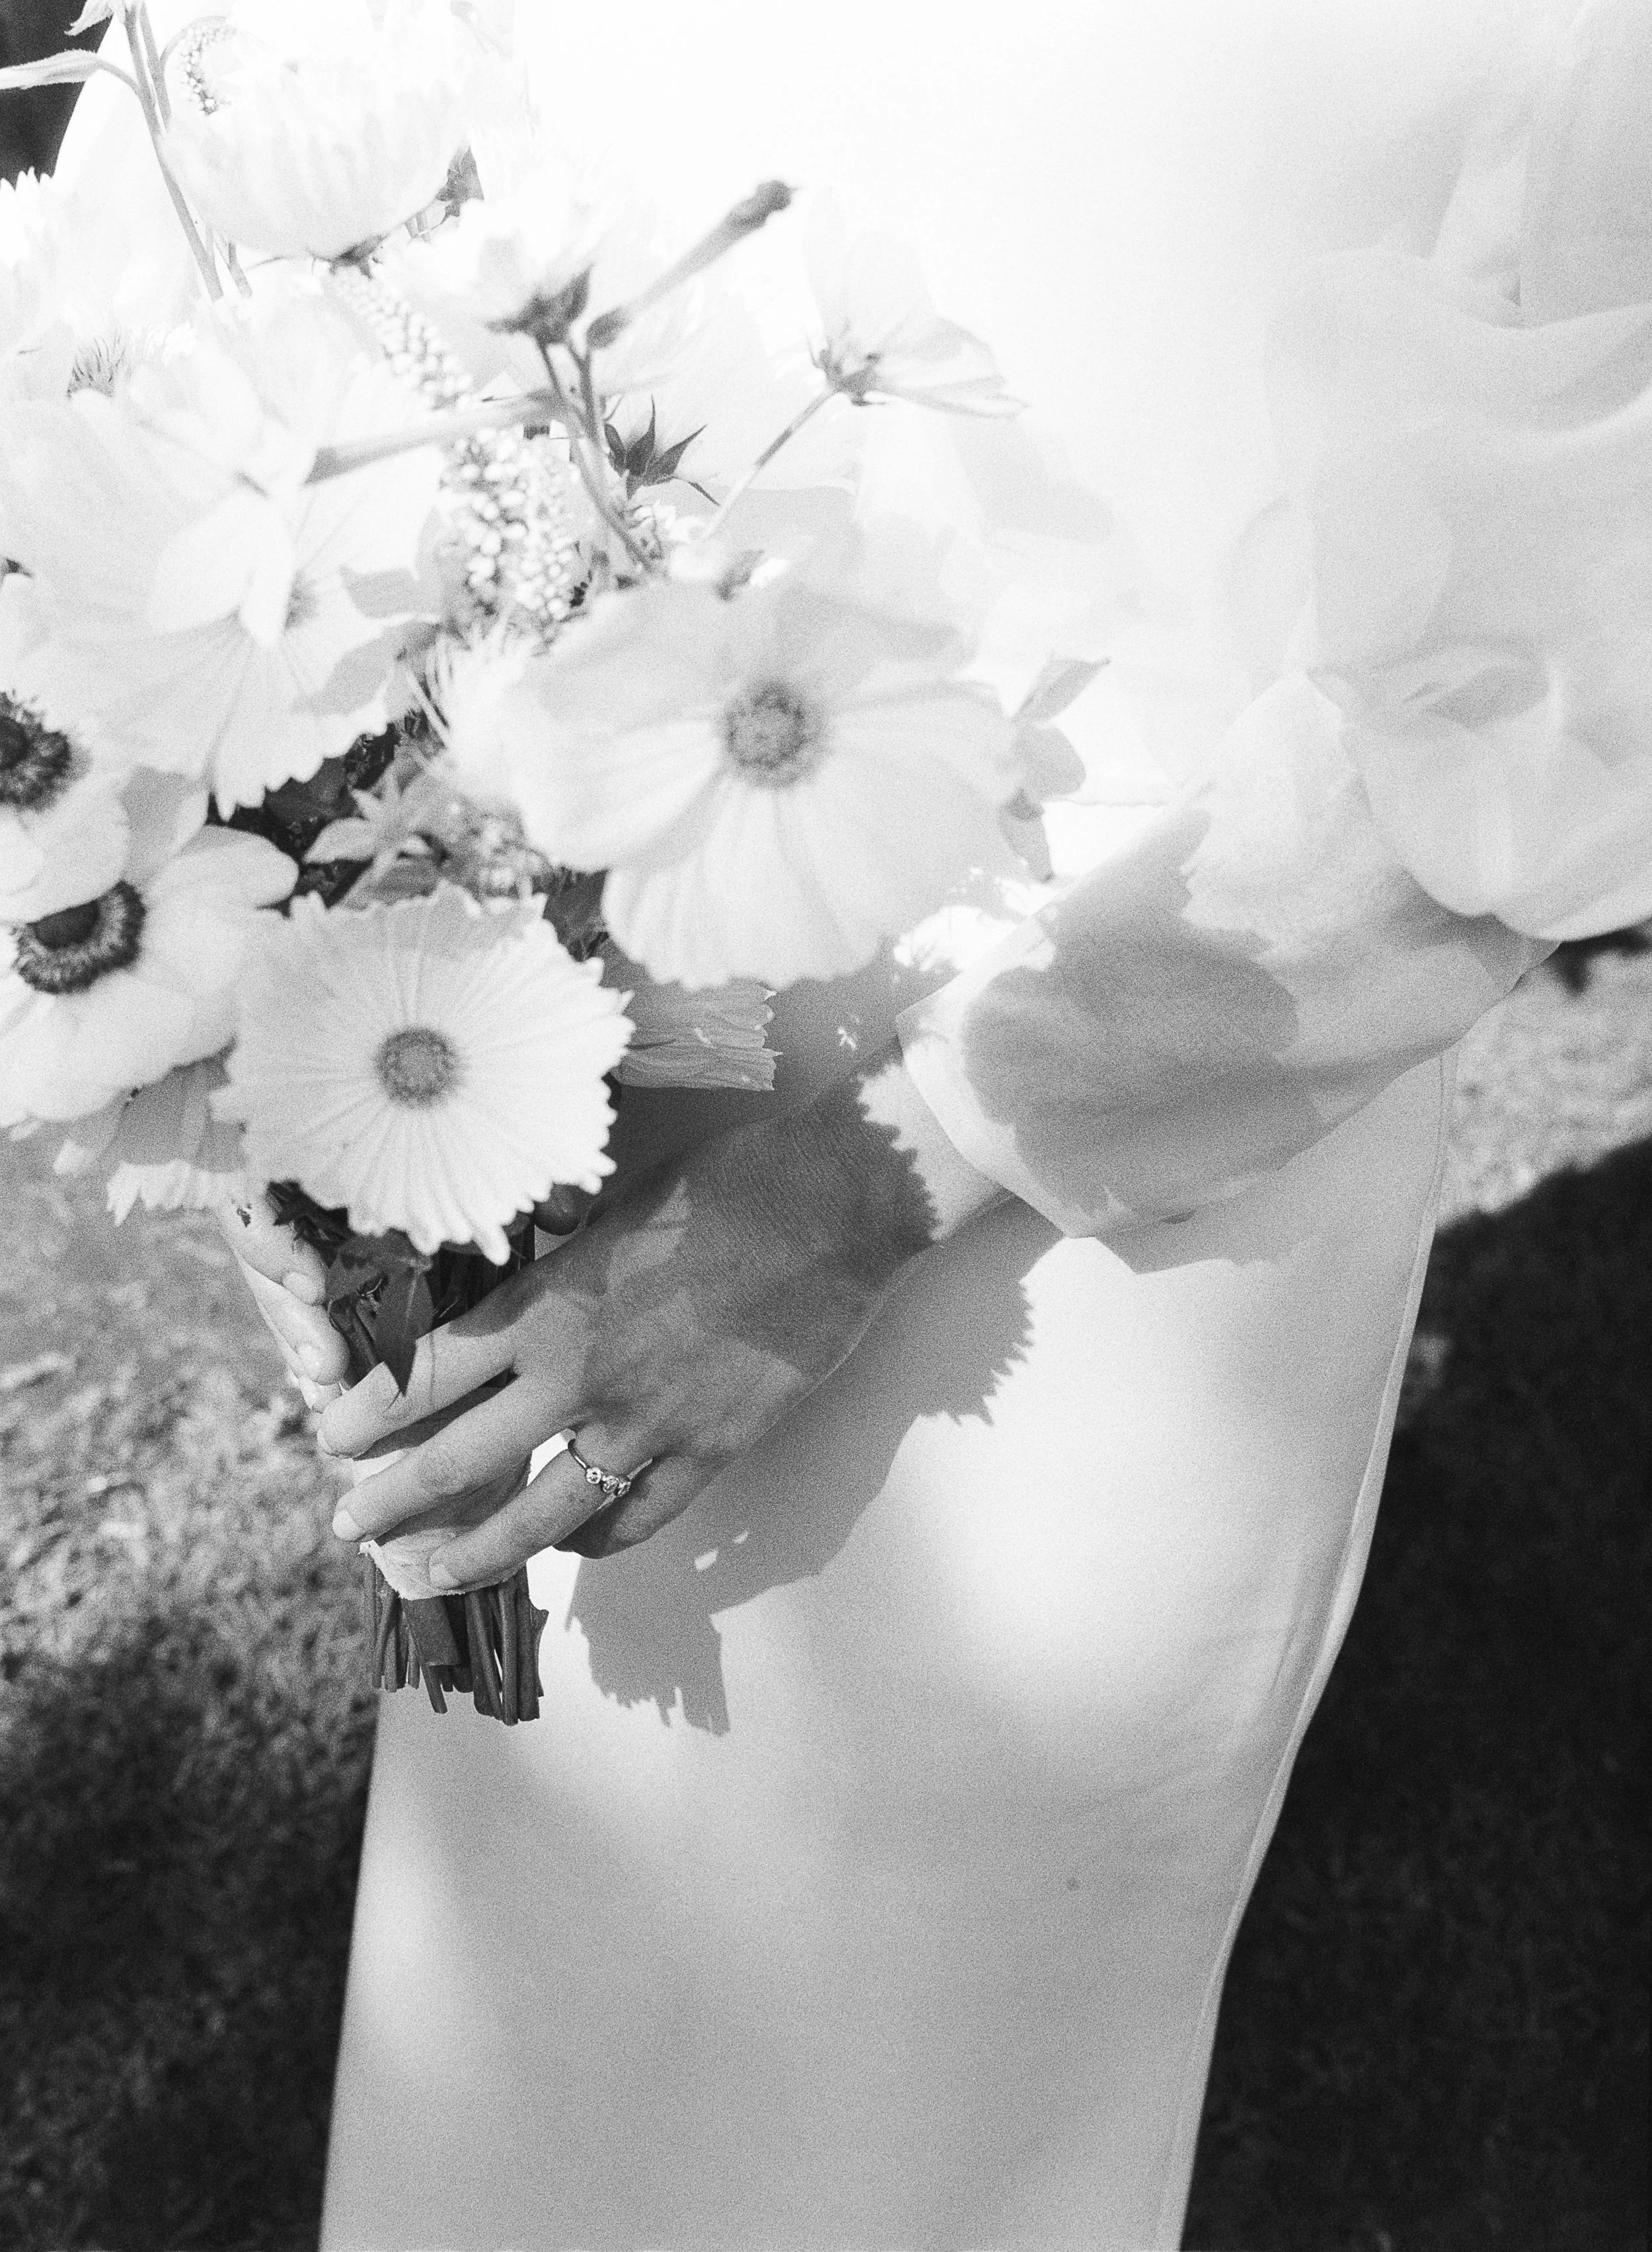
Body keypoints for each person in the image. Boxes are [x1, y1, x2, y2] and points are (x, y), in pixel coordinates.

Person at [56, 0, 1652, 2242]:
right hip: (565, 1006)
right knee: (525, 2075)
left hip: (1120, 1144)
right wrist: (319, 1036)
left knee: (888, 2130)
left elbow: (1577, 648)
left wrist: (866, 1170)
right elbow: (266, 223)